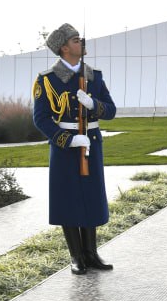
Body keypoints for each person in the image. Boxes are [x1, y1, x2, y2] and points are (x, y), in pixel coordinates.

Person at [32, 23, 117, 274]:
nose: (82, 43)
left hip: (91, 143)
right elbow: (41, 118)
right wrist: (67, 140)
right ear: (63, 47)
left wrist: (93, 104)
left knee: (90, 197)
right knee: (67, 199)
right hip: (65, 147)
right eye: (76, 40)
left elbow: (111, 110)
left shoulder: (95, 76)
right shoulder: (47, 80)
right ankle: (76, 256)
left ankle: (91, 253)